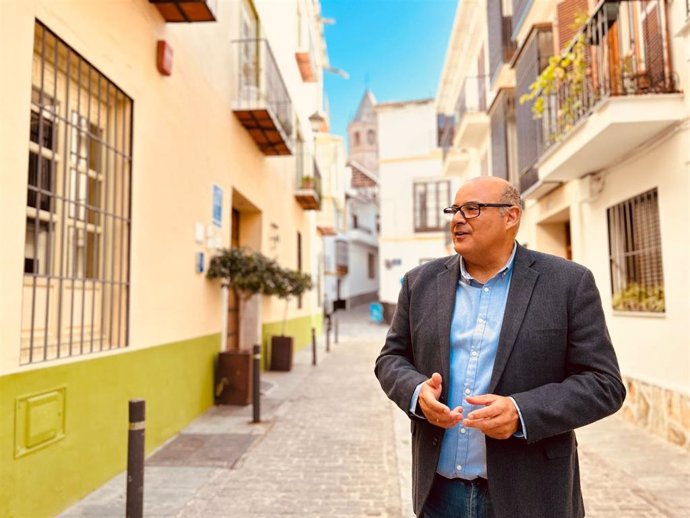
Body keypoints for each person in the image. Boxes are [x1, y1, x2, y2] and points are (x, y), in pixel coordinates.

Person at [375, 177, 625, 518]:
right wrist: (418, 392)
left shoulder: (568, 283)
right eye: (454, 209)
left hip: (532, 496)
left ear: (511, 216)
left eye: (472, 209)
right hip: (438, 495)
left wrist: (521, 412)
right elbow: (391, 358)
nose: (458, 219)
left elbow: (604, 384)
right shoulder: (420, 283)